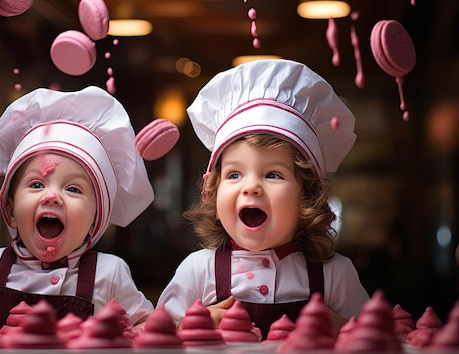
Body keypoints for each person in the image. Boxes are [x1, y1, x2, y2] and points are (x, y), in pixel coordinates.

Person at [157, 59, 370, 338]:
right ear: (213, 193)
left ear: (307, 196)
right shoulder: (199, 270)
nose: (251, 187)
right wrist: (190, 324)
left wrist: (342, 328)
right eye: (235, 175)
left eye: (272, 174)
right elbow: (153, 336)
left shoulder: (334, 275)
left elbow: (379, 340)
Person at [0, 86, 155, 330]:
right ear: (10, 209)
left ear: (96, 220)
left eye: (73, 189)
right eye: (37, 184)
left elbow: (148, 329)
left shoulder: (109, 274)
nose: (52, 196)